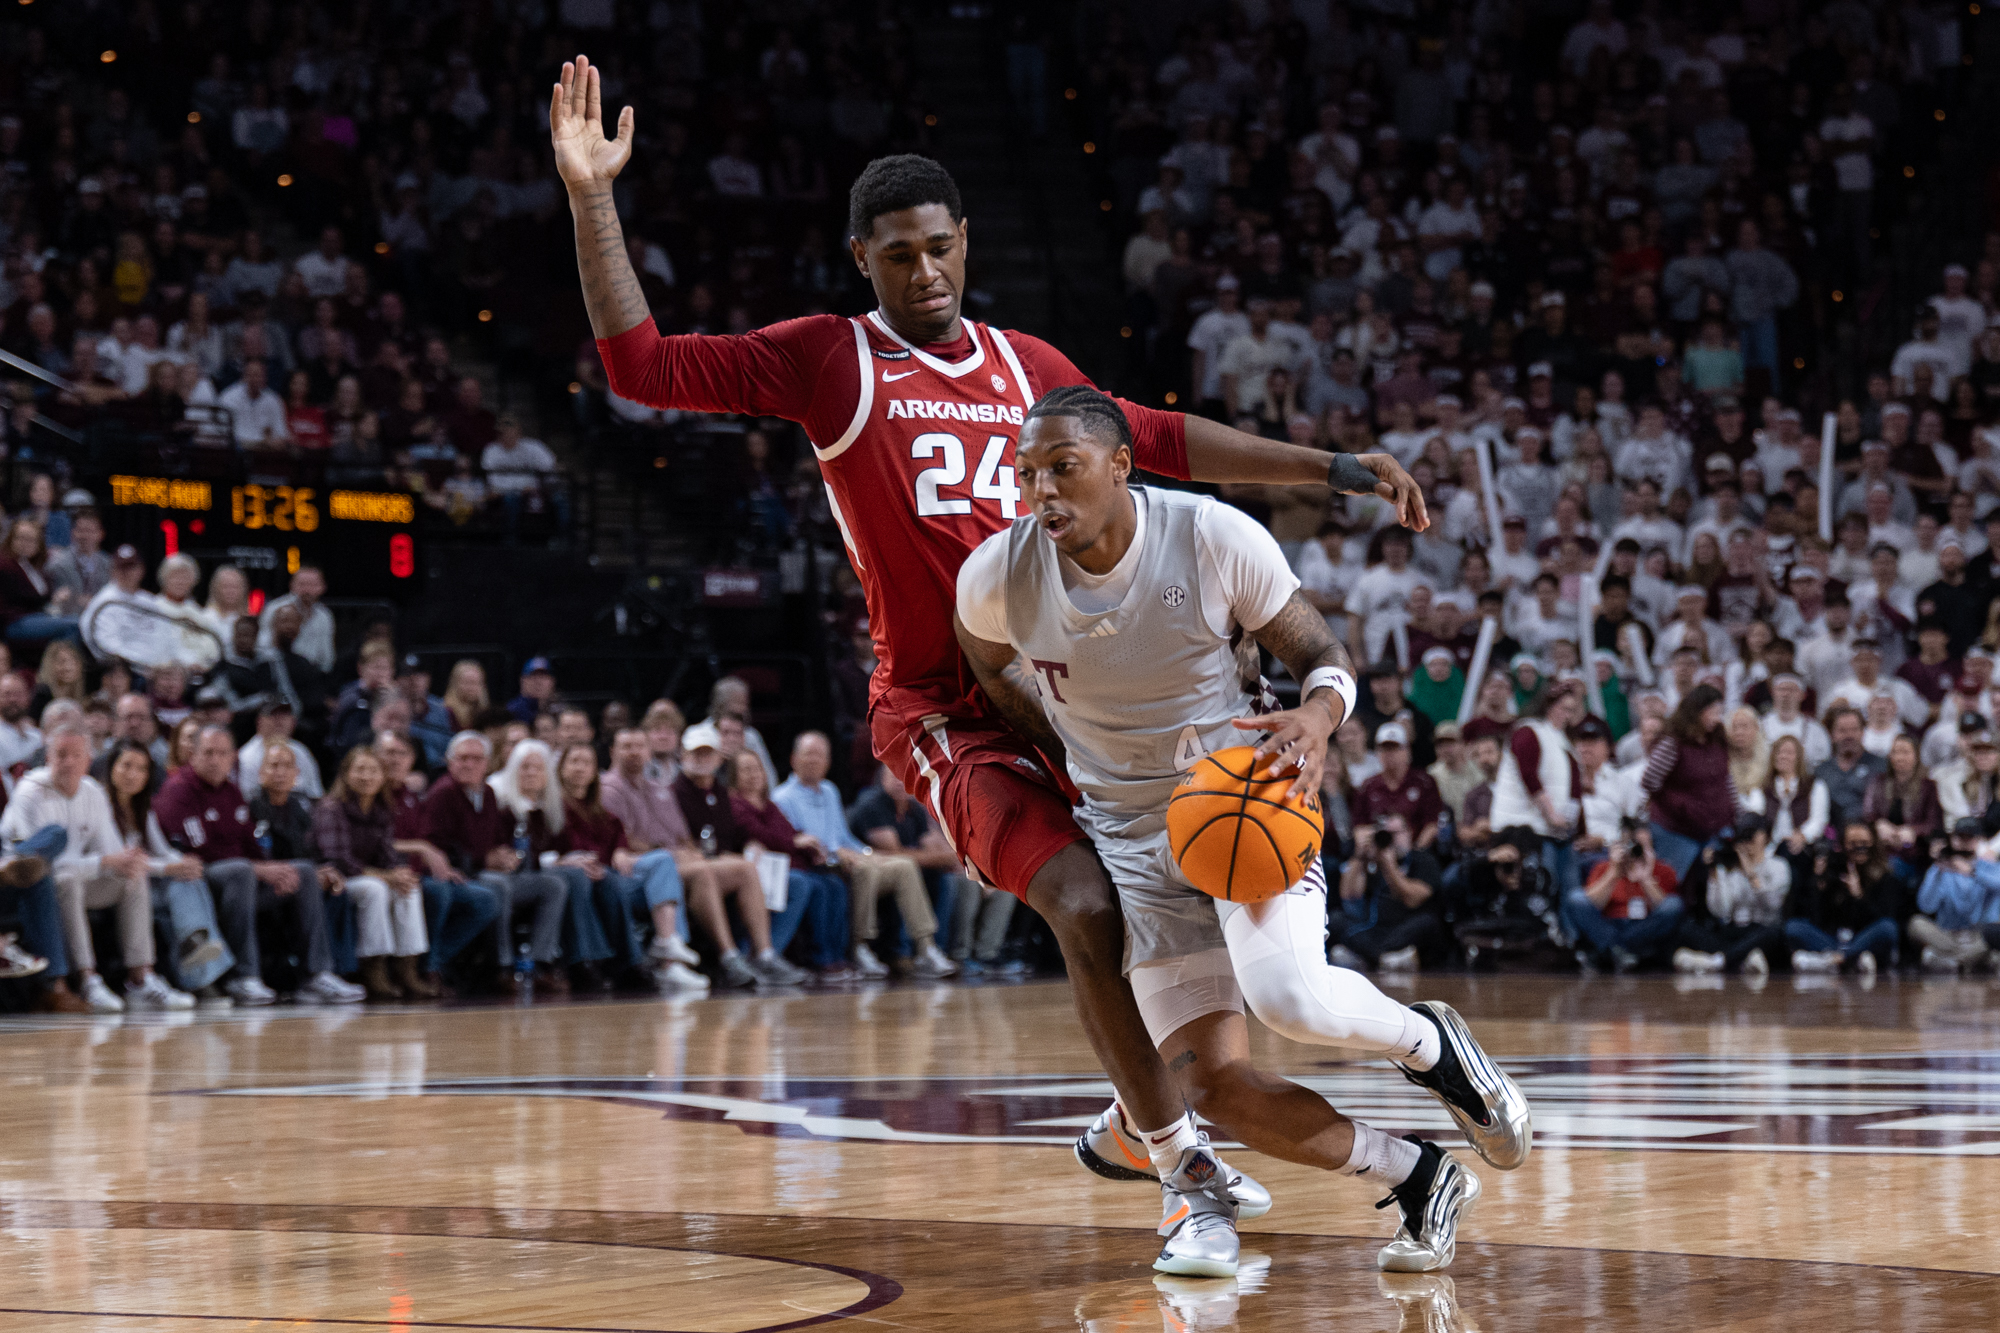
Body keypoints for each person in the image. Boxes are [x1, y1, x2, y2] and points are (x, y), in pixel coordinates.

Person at [555, 57, 1426, 1234]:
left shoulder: (1032, 372)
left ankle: (1151, 1121)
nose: (922, 271)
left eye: (937, 246)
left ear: (964, 240)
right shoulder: (831, 359)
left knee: (1205, 949)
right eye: (896, 254)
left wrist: (1328, 467)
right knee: (1080, 902)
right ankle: (1183, 1173)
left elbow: (1160, 438)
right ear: (861, 258)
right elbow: (639, 367)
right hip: (943, 706)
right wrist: (592, 194)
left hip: (1076, 696)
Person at [952, 385, 1522, 1278]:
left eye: (1064, 468)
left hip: (1243, 796)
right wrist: (1066, 741)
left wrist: (1316, 721)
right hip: (1134, 837)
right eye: (1027, 474)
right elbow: (989, 669)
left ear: (1120, 467)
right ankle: (1419, 1174)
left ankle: (1431, 1044)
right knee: (1209, 1086)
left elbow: (1324, 655)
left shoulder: (1212, 535)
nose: (1043, 491)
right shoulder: (995, 575)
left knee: (1290, 997)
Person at [153, 725, 362, 1006]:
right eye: (208, 753)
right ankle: (244, 976)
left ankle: (316, 975)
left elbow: (251, 845)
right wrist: (259, 870)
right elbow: (197, 853)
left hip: (242, 881)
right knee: (240, 870)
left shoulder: (232, 792)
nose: (215, 759)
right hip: (198, 884)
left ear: (233, 757)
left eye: (222, 753)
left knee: (302, 871)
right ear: (193, 754)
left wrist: (275, 873)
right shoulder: (178, 791)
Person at [1, 725, 194, 1011]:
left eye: (76, 755)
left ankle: (141, 978)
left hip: (74, 877)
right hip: (27, 883)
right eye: (60, 754)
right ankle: (88, 979)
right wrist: (103, 863)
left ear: (88, 760)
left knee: (131, 877)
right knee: (64, 872)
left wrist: (124, 863)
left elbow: (114, 853)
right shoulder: (29, 792)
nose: (68, 762)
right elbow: (41, 869)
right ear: (47, 758)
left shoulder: (93, 792)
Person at [422, 731, 569, 995]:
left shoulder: (488, 793)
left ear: (487, 764)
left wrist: (505, 854)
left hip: (489, 871)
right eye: (462, 758)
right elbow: (436, 845)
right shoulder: (442, 794)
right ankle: (503, 966)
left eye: (476, 759)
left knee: (553, 885)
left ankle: (540, 962)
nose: (469, 764)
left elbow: (496, 839)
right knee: (500, 887)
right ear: (450, 761)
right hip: (465, 874)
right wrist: (483, 859)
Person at [669, 722, 808, 987]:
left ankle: (765, 954)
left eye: (707, 753)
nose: (702, 759)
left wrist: (749, 846)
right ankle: (730, 956)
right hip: (686, 864)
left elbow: (732, 837)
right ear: (683, 756)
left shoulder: (721, 794)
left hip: (714, 861)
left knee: (748, 868)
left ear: (719, 758)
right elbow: (678, 840)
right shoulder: (675, 792)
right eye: (695, 753)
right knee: (711, 872)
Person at [490, 738, 624, 992]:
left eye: (537, 768)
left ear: (547, 775)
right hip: (513, 875)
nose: (531, 773)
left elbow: (559, 847)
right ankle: (581, 960)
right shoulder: (502, 806)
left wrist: (573, 859)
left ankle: (584, 960)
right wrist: (560, 861)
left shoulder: (550, 808)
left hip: (540, 873)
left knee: (591, 875)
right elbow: (505, 852)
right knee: (568, 878)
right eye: (525, 767)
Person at [373, 730, 500, 991]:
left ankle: (433, 960)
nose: (395, 760)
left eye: (401, 754)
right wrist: (423, 848)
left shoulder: (409, 794)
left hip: (418, 872)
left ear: (412, 760)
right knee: (438, 892)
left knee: (485, 899)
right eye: (389, 753)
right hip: (382, 871)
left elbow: (429, 842)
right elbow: (374, 842)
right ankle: (424, 968)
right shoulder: (372, 792)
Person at [314, 746, 434, 1000]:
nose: (366, 777)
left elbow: (388, 853)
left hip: (370, 875)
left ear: (382, 777)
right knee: (375, 889)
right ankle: (373, 966)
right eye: (360, 770)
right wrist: (386, 876)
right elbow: (339, 860)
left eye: (373, 770)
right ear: (345, 774)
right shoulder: (331, 808)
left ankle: (407, 967)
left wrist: (398, 872)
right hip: (335, 879)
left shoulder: (381, 809)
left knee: (408, 886)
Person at [594, 726, 706, 988]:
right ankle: (674, 955)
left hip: (654, 867)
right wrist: (671, 852)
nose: (634, 752)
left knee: (680, 868)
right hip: (623, 870)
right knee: (668, 864)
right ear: (612, 752)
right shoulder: (607, 789)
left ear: (649, 752)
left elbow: (682, 835)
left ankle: (672, 953)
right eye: (626, 746)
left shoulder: (658, 788)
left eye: (639, 746)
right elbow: (624, 842)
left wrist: (685, 852)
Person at [728, 749, 848, 978]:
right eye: (746, 770)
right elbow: (765, 836)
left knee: (833, 884)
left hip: (783, 866)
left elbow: (788, 834)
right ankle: (766, 956)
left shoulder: (769, 805)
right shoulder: (735, 805)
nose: (753, 774)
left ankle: (833, 957)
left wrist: (812, 849)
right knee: (803, 884)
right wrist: (797, 842)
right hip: (758, 871)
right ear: (734, 776)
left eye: (756, 768)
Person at [845, 765, 960, 978]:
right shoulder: (873, 805)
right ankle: (862, 947)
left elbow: (933, 847)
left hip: (879, 865)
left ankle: (928, 948)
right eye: (893, 776)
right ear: (881, 780)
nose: (900, 781)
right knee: (905, 866)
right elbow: (896, 852)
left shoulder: (913, 808)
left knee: (940, 878)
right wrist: (945, 856)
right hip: (857, 866)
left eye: (904, 776)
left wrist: (943, 857)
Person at [1639, 684, 1743, 877]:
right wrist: (1679, 805)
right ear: (1696, 712)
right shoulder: (1673, 743)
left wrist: (1737, 811)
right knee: (1675, 882)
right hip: (1676, 830)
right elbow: (1650, 781)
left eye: (1719, 712)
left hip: (1716, 827)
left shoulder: (1717, 739)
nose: (1716, 718)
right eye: (1711, 712)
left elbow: (1725, 779)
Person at [1562, 818, 1685, 972]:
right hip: (1609, 926)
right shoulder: (1604, 868)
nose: (1635, 852)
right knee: (1576, 898)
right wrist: (1613, 873)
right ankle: (1619, 950)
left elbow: (1667, 911)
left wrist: (1646, 878)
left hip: (1643, 929)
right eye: (1631, 844)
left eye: (1642, 846)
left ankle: (1617, 950)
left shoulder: (1664, 870)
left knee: (1674, 904)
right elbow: (1588, 904)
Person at [1672, 816, 1790, 975]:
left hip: (1761, 928)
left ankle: (1719, 961)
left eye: (1751, 836)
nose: (1747, 843)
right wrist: (1714, 874)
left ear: (1764, 836)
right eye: (1743, 838)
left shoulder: (1778, 865)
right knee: (1688, 929)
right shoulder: (1729, 866)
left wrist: (1751, 875)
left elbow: (1774, 904)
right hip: (1733, 930)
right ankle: (1742, 959)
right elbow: (1720, 911)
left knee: (1774, 934)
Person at [1786, 823, 1901, 975]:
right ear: (1843, 845)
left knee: (1888, 928)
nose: (1859, 848)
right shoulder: (1835, 870)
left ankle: (1835, 960)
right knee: (1793, 927)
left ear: (1872, 844)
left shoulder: (1884, 876)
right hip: (1834, 940)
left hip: (1864, 938)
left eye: (1864, 843)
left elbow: (1882, 918)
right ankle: (1850, 958)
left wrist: (1859, 896)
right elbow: (1818, 920)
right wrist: (1818, 885)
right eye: (1853, 844)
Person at [1746, 734, 1831, 856]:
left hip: (1802, 848)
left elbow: (1819, 820)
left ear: (1799, 757)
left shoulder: (1815, 786)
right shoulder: (1763, 788)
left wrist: (1803, 835)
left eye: (1789, 752)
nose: (1783, 756)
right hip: (1768, 850)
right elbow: (1754, 815)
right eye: (1779, 752)